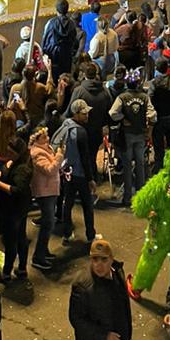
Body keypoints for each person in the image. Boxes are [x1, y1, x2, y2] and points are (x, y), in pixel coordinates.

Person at [108, 71, 155, 208]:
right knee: (140, 164)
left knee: (127, 166)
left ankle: (127, 197)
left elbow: (112, 113)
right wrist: (149, 129)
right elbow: (153, 115)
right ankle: (141, 196)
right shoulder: (145, 97)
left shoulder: (122, 97)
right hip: (140, 134)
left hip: (127, 135)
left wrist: (123, 118)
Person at [0, 136, 33, 282]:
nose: (8, 155)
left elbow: (17, 190)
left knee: (12, 242)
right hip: (17, 209)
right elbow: (5, 168)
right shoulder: (14, 162)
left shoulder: (22, 169)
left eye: (11, 152)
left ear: (18, 154)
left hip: (14, 210)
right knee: (20, 237)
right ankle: (21, 269)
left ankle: (7, 273)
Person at [55, 100, 97, 245]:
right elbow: (85, 158)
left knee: (68, 203)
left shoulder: (65, 125)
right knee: (87, 205)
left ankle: (66, 234)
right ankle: (91, 235)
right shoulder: (81, 132)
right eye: (84, 113)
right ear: (76, 113)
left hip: (67, 173)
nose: (87, 116)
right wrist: (90, 178)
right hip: (80, 174)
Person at [28, 126, 63, 271]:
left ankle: (44, 251)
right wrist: (59, 156)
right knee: (47, 224)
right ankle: (38, 257)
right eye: (44, 137)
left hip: (50, 190)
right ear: (36, 139)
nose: (47, 138)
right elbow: (50, 170)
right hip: (45, 192)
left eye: (47, 135)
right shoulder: (37, 153)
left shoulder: (45, 148)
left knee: (49, 224)